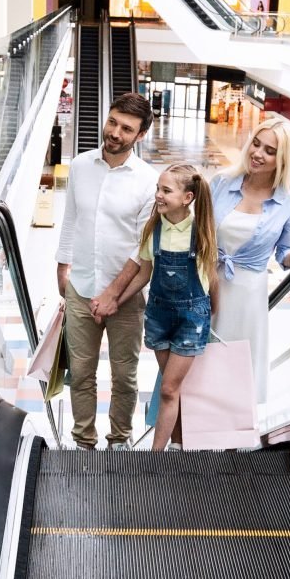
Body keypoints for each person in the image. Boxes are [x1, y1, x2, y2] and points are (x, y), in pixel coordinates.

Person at [56, 92, 157, 450]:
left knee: (124, 377)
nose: (115, 132)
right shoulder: (81, 166)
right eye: (112, 121)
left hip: (126, 299)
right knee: (80, 374)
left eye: (126, 128)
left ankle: (119, 440)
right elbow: (71, 219)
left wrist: (114, 295)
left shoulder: (148, 181)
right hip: (81, 288)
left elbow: (143, 249)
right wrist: (61, 267)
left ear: (140, 135)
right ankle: (83, 440)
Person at [116, 164, 218, 451]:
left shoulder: (201, 233)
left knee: (169, 388)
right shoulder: (154, 230)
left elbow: (212, 277)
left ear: (187, 198)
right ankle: (179, 444)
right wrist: (116, 301)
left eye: (166, 190)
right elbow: (143, 274)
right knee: (172, 389)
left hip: (191, 318)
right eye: (158, 189)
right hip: (159, 316)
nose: (158, 195)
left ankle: (155, 456)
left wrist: (214, 315)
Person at [210, 117, 290, 404]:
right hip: (208, 283)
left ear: (283, 160)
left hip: (248, 294)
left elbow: (285, 251)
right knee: (202, 359)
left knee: (238, 364)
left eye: (270, 151)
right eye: (256, 143)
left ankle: (232, 438)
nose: (258, 153)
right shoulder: (221, 182)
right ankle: (196, 432)